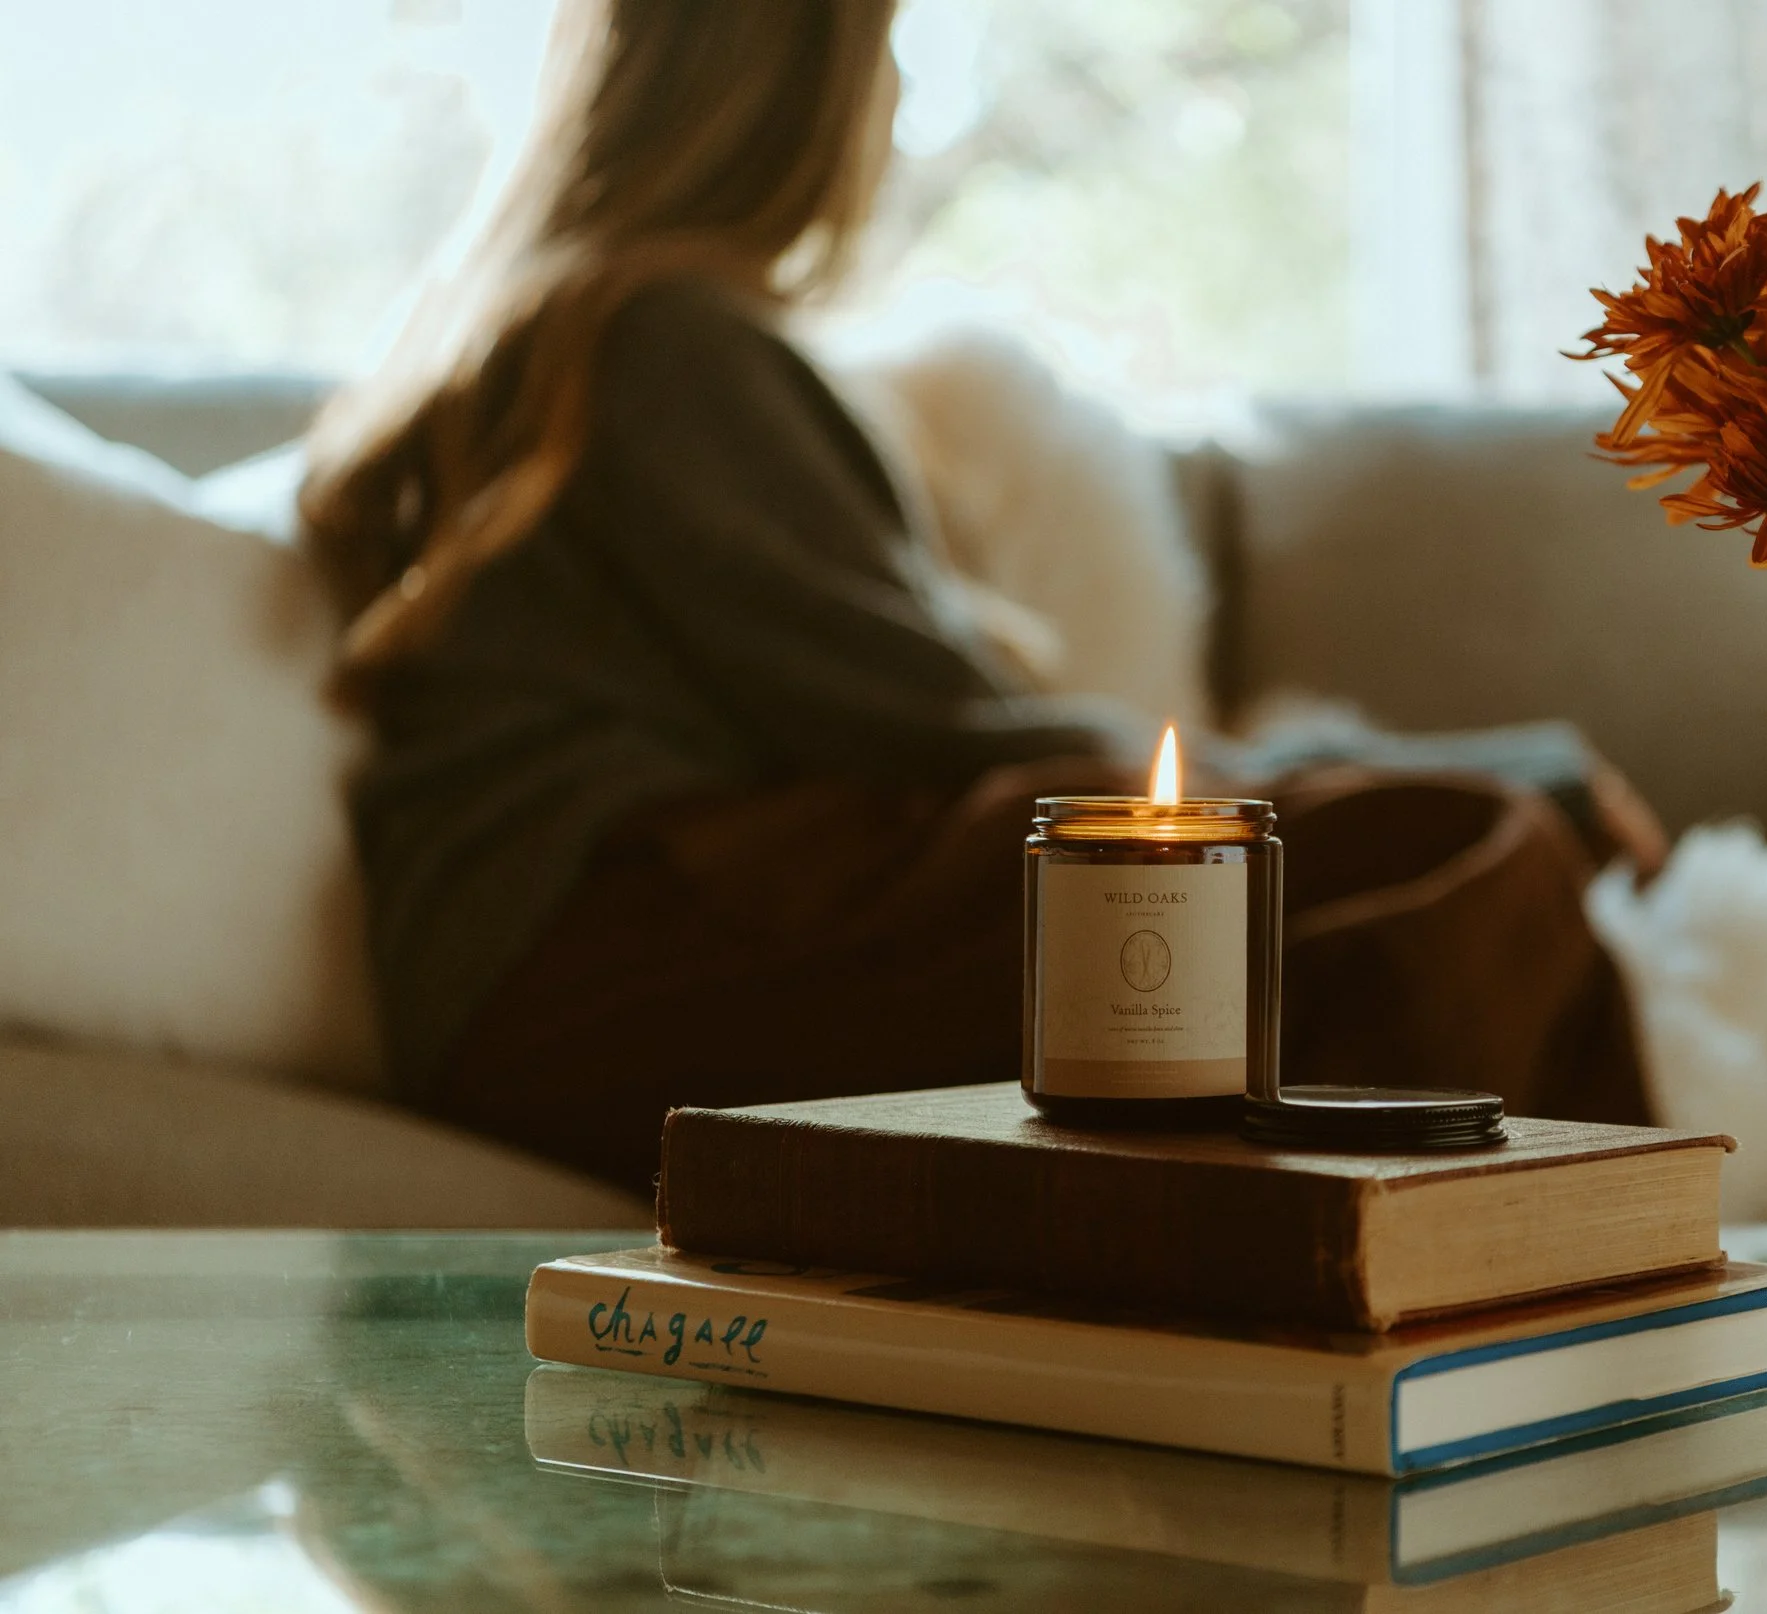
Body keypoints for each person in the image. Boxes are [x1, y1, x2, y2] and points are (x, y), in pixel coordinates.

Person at [299, 0, 1662, 1192]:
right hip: (620, 960)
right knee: (1470, 846)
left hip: (553, 994)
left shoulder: (544, 331)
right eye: (884, 54)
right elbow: (941, 724)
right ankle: (1599, 1314)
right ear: (794, 88)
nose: (891, 111)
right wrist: (1511, 773)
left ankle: (1352, 1245)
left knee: (1346, 920)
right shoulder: (665, 338)